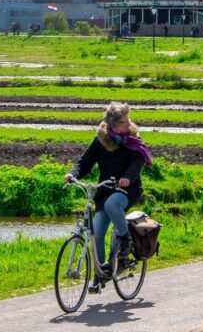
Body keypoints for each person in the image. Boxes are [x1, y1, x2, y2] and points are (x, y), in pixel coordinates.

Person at [64, 101, 152, 289]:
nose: (129, 125)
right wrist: (73, 174)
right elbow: (84, 162)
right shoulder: (101, 140)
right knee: (97, 232)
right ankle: (100, 273)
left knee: (113, 204)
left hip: (128, 190)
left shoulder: (133, 140)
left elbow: (137, 163)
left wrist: (128, 177)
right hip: (105, 190)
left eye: (129, 120)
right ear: (112, 125)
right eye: (124, 122)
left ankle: (125, 240)